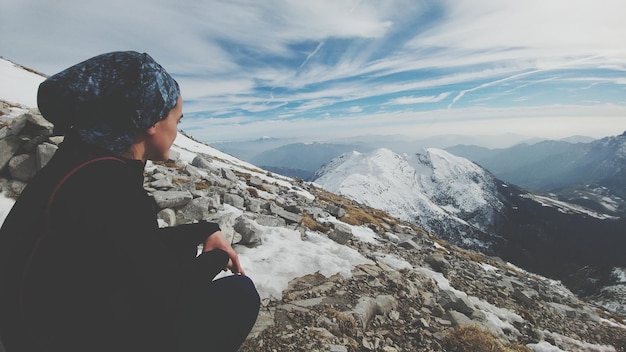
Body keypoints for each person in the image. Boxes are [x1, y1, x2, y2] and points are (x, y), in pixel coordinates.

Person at [0, 51, 260, 352]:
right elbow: (168, 293)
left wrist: (205, 231)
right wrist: (217, 257)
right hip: (48, 340)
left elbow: (132, 242)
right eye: (177, 120)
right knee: (239, 295)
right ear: (150, 120)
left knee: (181, 249)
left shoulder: (85, 162)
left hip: (38, 324)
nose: (177, 131)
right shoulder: (106, 184)